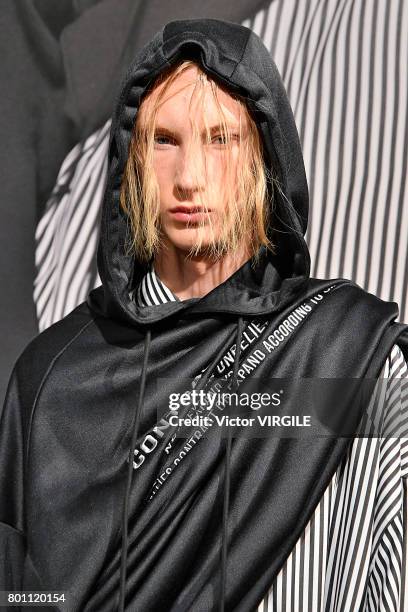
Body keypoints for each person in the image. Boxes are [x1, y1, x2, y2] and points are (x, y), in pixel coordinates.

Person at [1, 17, 408, 612]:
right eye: (164, 140)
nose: (189, 178)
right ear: (131, 159)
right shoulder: (53, 381)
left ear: (263, 155)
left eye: (220, 138)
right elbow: (24, 594)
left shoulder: (342, 354)